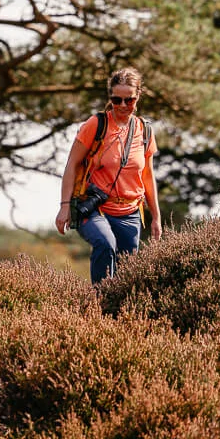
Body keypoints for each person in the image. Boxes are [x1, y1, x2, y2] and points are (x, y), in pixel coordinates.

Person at [55, 67, 162, 284]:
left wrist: (156, 217)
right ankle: (98, 302)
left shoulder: (145, 131)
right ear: (110, 98)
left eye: (129, 100)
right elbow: (71, 165)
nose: (123, 105)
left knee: (125, 275)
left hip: (131, 211)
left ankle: (113, 315)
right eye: (117, 99)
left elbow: (148, 176)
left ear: (138, 96)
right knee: (105, 243)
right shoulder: (96, 124)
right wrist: (65, 205)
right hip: (94, 205)